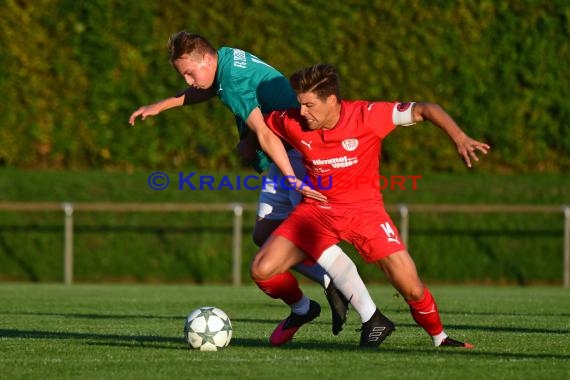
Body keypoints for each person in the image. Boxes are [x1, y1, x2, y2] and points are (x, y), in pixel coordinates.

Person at [128, 32, 374, 335]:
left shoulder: (229, 80)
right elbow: (215, 91)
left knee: (312, 238)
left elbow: (264, 130)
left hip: (296, 152)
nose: (189, 80)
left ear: (205, 59)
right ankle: (315, 296)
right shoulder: (226, 59)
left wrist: (287, 174)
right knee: (265, 233)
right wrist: (162, 105)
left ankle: (369, 315)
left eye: (189, 72)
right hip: (290, 149)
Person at [251, 63, 490, 348]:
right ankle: (303, 309)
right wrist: (247, 139)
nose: (302, 112)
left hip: (366, 214)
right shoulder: (292, 120)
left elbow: (426, 108)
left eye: (309, 105)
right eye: (300, 104)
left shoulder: (368, 116)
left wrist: (459, 137)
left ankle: (440, 338)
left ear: (332, 101)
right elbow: (260, 124)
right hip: (317, 213)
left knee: (411, 288)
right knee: (262, 269)